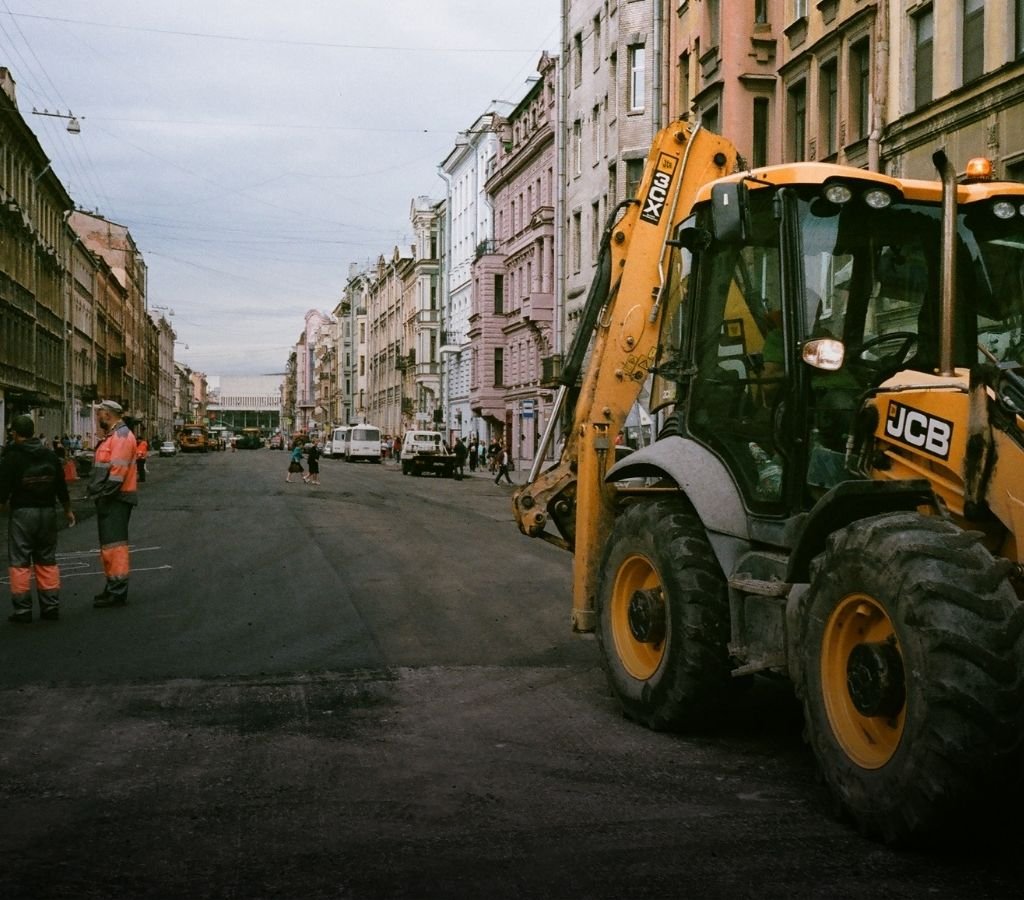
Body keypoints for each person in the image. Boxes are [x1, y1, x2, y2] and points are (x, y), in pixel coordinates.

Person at [0, 415, 75, 623]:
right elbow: (61, 486)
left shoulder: (12, 457)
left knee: (20, 561)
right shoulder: (49, 455)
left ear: (15, 433)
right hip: (48, 513)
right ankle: (51, 606)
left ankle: (23, 610)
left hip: (23, 513)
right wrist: (67, 510)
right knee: (47, 559)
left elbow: (3, 489)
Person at [87, 400, 138, 609]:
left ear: (107, 415)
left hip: (116, 498)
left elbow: (117, 473)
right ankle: (112, 587)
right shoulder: (114, 436)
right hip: (111, 497)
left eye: (99, 414)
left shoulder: (122, 436)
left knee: (115, 547)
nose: (97, 418)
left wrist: (104, 495)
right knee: (109, 546)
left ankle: (117, 591)